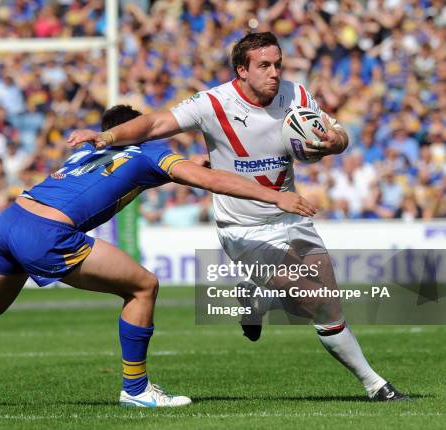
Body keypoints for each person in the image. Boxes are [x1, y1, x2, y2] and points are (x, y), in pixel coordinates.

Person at [0, 104, 316, 408]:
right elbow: (207, 178)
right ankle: (136, 390)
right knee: (144, 286)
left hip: (13, 218)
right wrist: (273, 195)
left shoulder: (88, 149)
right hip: (48, 232)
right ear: (142, 126)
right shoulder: (151, 151)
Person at [68, 33, 408, 401]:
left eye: (278, 64)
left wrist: (334, 142)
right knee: (313, 297)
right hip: (243, 228)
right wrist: (107, 136)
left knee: (327, 303)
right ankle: (376, 385)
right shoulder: (213, 103)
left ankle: (255, 299)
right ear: (242, 70)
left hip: (290, 217)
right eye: (264, 65)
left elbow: (337, 131)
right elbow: (152, 125)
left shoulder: (296, 95)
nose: (274, 73)